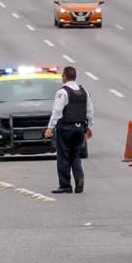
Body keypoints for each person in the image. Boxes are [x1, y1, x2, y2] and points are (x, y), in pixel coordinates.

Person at [44, 66, 94, 194]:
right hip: (80, 128)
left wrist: (50, 128)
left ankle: (65, 185)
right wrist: (89, 127)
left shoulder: (62, 92)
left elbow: (57, 111)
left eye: (62, 76)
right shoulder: (84, 92)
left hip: (65, 128)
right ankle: (79, 179)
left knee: (63, 156)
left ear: (65, 77)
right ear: (75, 77)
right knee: (76, 155)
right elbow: (90, 111)